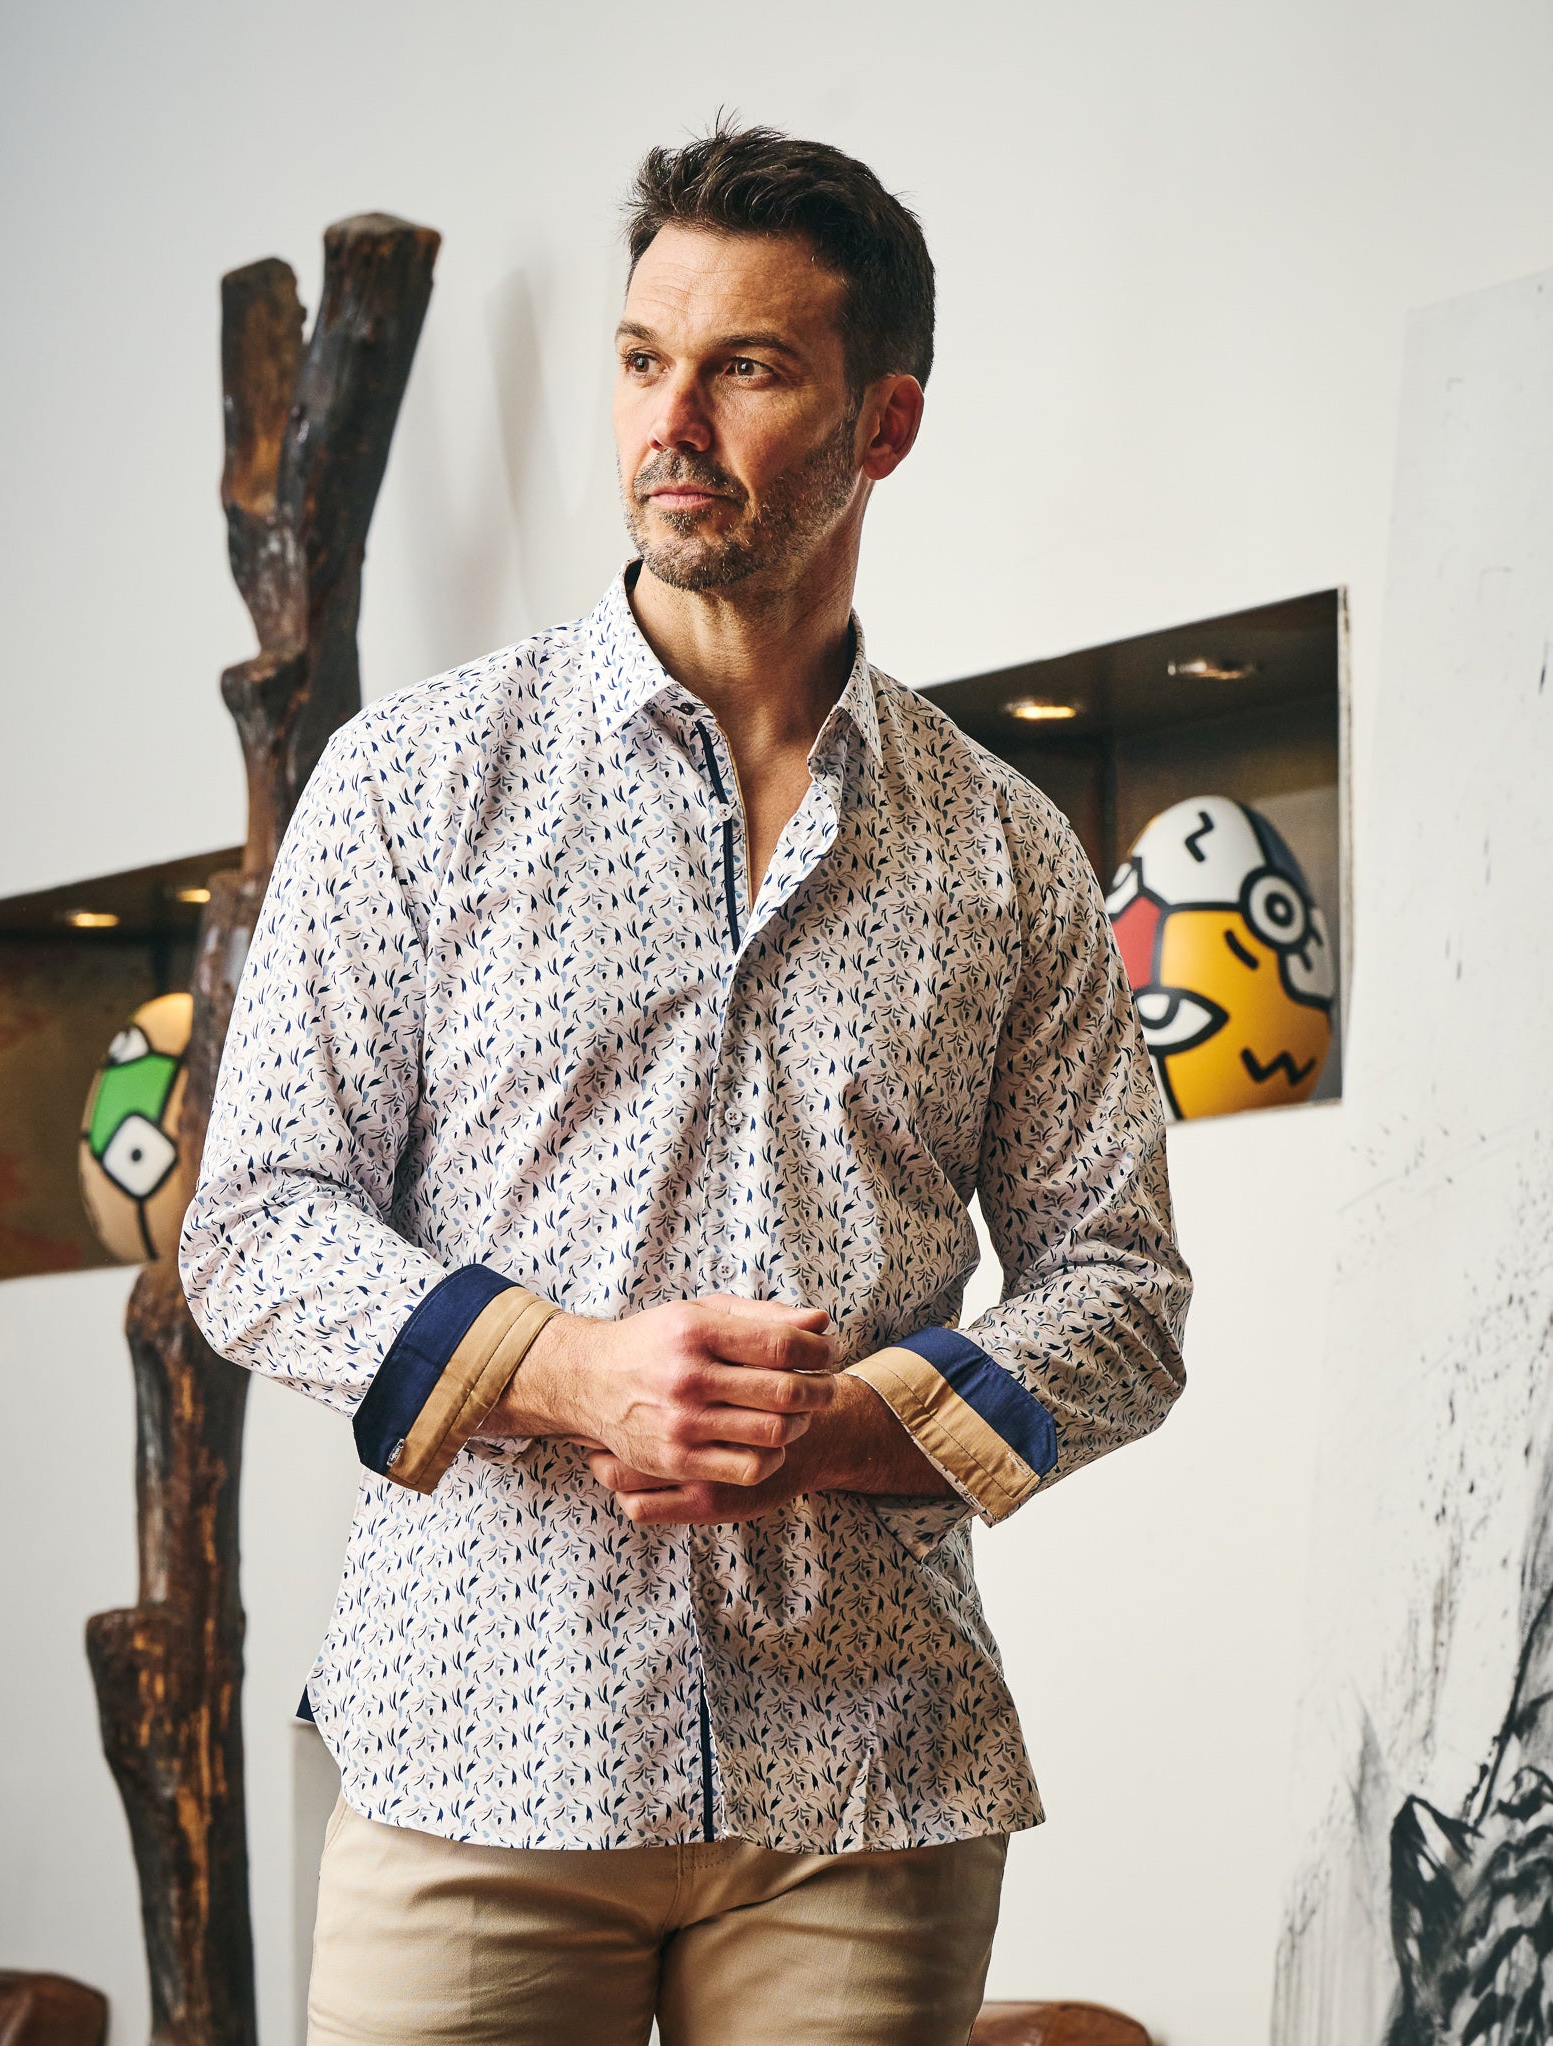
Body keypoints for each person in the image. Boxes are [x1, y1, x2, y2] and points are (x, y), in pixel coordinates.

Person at [181, 121, 1191, 2046]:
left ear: (884, 423)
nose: (671, 421)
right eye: (646, 358)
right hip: (476, 1748)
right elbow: (255, 1225)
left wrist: (848, 1427)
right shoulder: (414, 781)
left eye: (746, 369)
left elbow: (1125, 1292)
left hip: (867, 1782)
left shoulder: (1007, 848)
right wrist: (574, 1371)